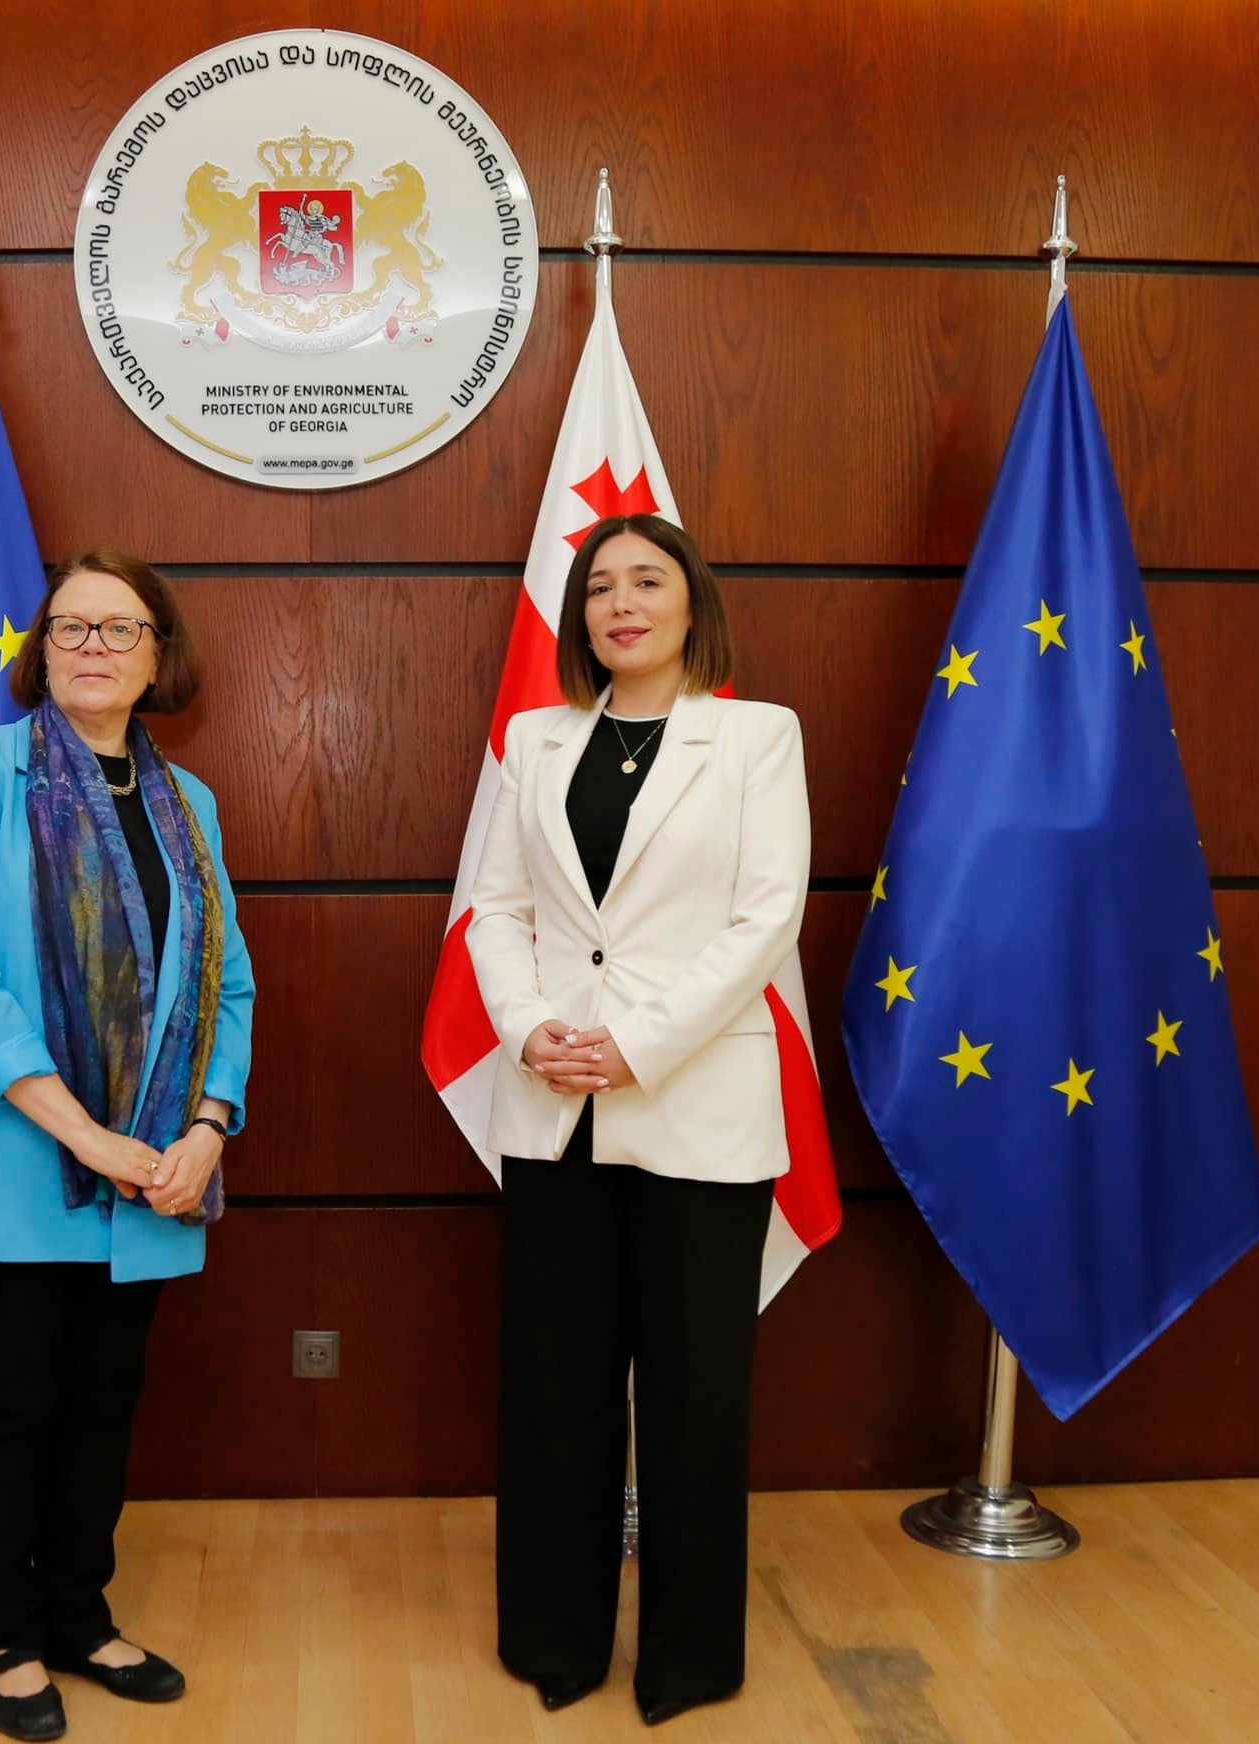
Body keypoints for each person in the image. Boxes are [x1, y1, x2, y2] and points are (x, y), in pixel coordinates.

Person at [0, 549, 254, 1742]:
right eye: (69, 626)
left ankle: (77, 1612)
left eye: (119, 628)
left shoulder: (187, 802)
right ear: (39, 650)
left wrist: (205, 1126)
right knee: (17, 1401)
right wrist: (88, 1134)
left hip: (149, 1175)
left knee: (104, 1398)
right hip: (19, 1159)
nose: (92, 646)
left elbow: (227, 986)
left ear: (159, 656)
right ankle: (2, 1632)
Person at [466, 513, 809, 1728]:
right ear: (578, 618)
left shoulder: (756, 736)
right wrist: (527, 1028)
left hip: (697, 1103)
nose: (619, 603)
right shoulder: (534, 739)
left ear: (689, 602)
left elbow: (766, 914)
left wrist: (641, 1042)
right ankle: (552, 1640)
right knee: (554, 1384)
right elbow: (495, 910)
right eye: (598, 586)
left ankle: (688, 1656)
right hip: (552, 1103)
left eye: (645, 581)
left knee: (693, 1392)